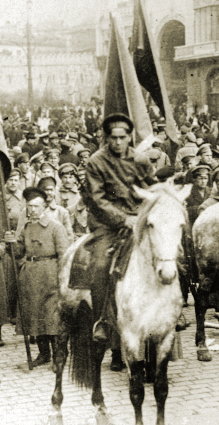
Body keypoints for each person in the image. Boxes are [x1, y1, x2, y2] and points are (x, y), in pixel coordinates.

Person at [81, 113, 155, 344]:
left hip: (139, 220)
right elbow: (97, 199)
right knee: (101, 264)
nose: (118, 142)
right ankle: (102, 319)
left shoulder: (141, 160)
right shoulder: (96, 162)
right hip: (107, 224)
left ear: (130, 136)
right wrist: (123, 219)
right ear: (106, 138)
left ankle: (176, 306)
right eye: (113, 138)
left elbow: (151, 188)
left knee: (171, 253)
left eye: (123, 137)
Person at [1, 187, 70, 366]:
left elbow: (64, 255)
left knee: (52, 318)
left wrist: (61, 280)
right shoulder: (27, 227)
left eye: (35, 206)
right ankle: (43, 354)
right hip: (31, 278)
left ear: (44, 206)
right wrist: (10, 243)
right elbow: (18, 252)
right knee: (35, 316)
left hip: (51, 276)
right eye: (29, 206)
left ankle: (58, 357)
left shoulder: (56, 227)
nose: (31, 210)